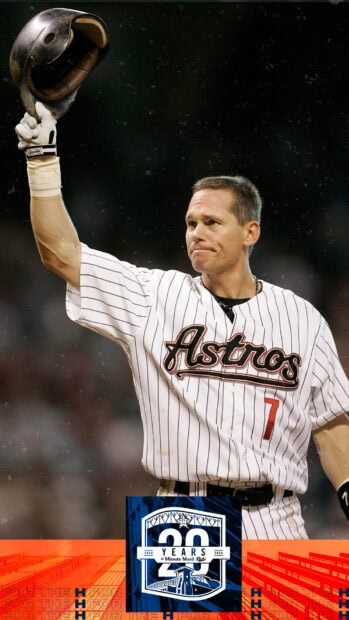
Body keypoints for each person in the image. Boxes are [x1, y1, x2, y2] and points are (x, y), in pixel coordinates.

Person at [15, 102, 349, 540]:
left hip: (277, 518)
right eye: (191, 222)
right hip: (178, 518)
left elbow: (331, 424)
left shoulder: (302, 318)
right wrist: (41, 160)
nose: (197, 232)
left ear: (251, 233)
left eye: (212, 222)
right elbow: (60, 252)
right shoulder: (153, 295)